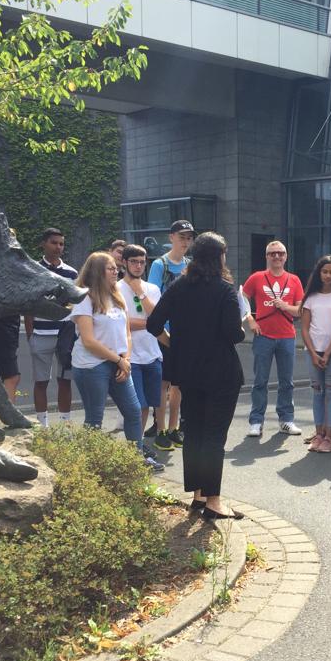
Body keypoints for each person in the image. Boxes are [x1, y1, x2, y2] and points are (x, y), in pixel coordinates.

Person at [147, 232, 246, 521]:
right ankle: (214, 502)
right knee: (214, 436)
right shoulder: (225, 290)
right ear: (219, 257)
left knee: (194, 434)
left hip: (188, 373)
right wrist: (241, 328)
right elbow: (233, 333)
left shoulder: (179, 286)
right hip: (221, 373)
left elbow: (154, 324)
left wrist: (174, 345)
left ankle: (199, 495)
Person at [70, 252, 162, 472]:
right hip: (92, 365)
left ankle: (135, 460)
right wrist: (119, 360)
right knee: (95, 417)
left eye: (116, 268)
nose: (116, 272)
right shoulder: (85, 298)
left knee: (133, 411)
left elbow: (126, 333)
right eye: (111, 268)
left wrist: (125, 359)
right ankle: (89, 468)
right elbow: (89, 341)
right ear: (97, 271)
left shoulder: (116, 296)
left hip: (118, 362)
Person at [242, 240, 304, 438]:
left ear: (286, 256)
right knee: (260, 381)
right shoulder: (257, 278)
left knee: (287, 382)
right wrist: (250, 319)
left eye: (280, 253)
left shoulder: (294, 280)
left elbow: (300, 310)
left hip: (287, 336)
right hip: (263, 336)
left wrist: (285, 306)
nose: (277, 256)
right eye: (272, 253)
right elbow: (241, 297)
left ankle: (286, 420)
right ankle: (256, 421)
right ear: (267, 256)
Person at [147, 220, 195, 451]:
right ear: (171, 237)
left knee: (179, 384)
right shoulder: (160, 264)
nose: (185, 241)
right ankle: (161, 430)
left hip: (184, 332)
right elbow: (153, 298)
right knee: (163, 383)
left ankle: (174, 428)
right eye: (181, 237)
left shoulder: (191, 265)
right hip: (164, 331)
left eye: (189, 238)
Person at [24, 228, 76, 427]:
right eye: (54, 243)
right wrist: (30, 334)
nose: (58, 247)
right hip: (40, 333)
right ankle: (42, 426)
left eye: (61, 244)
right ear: (43, 244)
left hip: (65, 334)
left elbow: (74, 303)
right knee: (41, 381)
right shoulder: (33, 270)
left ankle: (65, 425)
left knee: (65, 380)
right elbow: (28, 304)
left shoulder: (71, 272)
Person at [118, 244, 164, 462]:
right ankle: (133, 451)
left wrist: (140, 293)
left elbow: (158, 318)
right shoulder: (115, 289)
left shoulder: (152, 289)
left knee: (148, 405)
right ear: (124, 263)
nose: (138, 266)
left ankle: (138, 446)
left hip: (152, 355)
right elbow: (120, 322)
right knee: (136, 406)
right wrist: (148, 323)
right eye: (134, 261)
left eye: (142, 262)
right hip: (130, 357)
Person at [301, 255, 331, 452]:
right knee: (318, 392)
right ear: (318, 273)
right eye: (324, 271)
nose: (328, 275)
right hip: (312, 351)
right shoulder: (311, 297)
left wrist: (328, 353)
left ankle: (329, 437)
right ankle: (318, 434)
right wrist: (313, 353)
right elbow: (304, 329)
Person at [0, 315, 21, 404]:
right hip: (4, 330)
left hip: (6, 329)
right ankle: (7, 410)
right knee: (11, 377)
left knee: (4, 377)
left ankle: (3, 409)